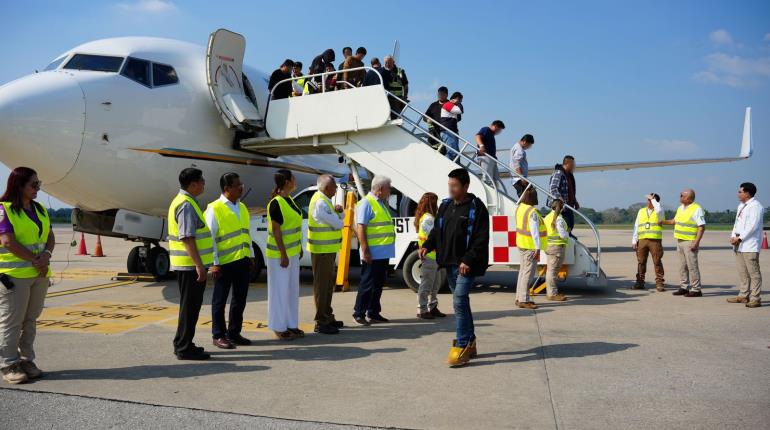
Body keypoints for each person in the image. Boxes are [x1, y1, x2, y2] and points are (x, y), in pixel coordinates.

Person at [420, 168, 489, 367]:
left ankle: (461, 344)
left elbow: (480, 239)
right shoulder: (446, 206)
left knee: (459, 301)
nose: (450, 189)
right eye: (449, 185)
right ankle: (471, 341)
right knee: (461, 303)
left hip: (467, 265)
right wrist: (427, 245)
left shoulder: (477, 208)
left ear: (466, 186)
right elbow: (437, 230)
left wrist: (467, 259)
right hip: (448, 263)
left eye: (455, 186)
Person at [0, 167, 54, 384]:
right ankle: (8, 364)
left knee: (30, 320)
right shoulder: (4, 209)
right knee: (12, 321)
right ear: (19, 185)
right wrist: (35, 259)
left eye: (38, 184)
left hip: (39, 274)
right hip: (15, 276)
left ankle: (26, 360)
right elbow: (7, 241)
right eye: (34, 184)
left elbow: (49, 236)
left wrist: (47, 255)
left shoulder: (39, 209)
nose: (37, 189)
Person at [167, 168, 214, 360]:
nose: (204, 184)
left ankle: (183, 343)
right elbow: (187, 238)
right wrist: (199, 266)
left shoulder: (185, 201)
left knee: (190, 307)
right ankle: (184, 347)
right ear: (193, 184)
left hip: (187, 265)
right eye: (202, 181)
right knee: (190, 307)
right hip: (189, 266)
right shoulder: (186, 205)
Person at [204, 173, 254, 350]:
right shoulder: (214, 208)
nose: (241, 187)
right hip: (223, 263)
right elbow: (210, 239)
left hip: (242, 260)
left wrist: (251, 255)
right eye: (237, 185)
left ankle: (234, 332)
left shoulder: (242, 207)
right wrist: (214, 263)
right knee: (219, 301)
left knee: (239, 300)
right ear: (227, 189)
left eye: (241, 183)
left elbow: (246, 233)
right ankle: (218, 335)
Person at [353, 175, 396, 325]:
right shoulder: (366, 203)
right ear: (380, 189)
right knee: (367, 283)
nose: (389, 191)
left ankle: (373, 312)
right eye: (388, 188)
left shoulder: (380, 203)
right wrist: (365, 250)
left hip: (382, 252)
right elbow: (360, 228)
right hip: (373, 252)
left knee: (378, 284)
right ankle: (359, 312)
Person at [266, 169, 304, 340]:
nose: (295, 180)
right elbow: (276, 230)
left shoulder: (290, 200)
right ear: (287, 181)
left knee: (291, 290)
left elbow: (293, 227)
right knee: (279, 291)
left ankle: (291, 324)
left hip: (293, 253)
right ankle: (278, 327)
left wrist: (299, 247)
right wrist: (283, 254)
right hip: (279, 256)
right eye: (293, 178)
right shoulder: (276, 203)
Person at [307, 174, 345, 334]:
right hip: (322, 251)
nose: (336, 189)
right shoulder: (320, 202)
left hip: (327, 250)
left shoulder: (325, 201)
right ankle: (321, 321)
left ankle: (327, 316)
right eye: (334, 186)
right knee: (322, 287)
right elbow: (338, 224)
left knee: (328, 285)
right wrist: (339, 216)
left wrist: (338, 214)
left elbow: (338, 219)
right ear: (326, 188)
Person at [662, 188, 706, 297]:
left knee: (692, 266)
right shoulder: (680, 208)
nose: (680, 197)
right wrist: (662, 221)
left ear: (688, 197)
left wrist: (696, 242)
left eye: (682, 195)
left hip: (690, 241)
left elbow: (701, 227)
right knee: (682, 266)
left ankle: (696, 289)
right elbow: (674, 221)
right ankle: (684, 287)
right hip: (680, 241)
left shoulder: (696, 208)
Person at [728, 182, 764, 308]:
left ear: (747, 193)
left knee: (753, 273)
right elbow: (736, 223)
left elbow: (752, 226)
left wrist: (740, 238)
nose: (738, 194)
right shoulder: (741, 206)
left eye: (740, 191)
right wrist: (733, 236)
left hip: (749, 245)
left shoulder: (755, 206)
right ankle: (743, 295)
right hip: (739, 244)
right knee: (742, 272)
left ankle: (755, 298)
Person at [414, 192, 446, 319]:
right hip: (430, 256)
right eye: (435, 202)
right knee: (427, 285)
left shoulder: (427, 217)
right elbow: (433, 238)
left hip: (434, 257)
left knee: (435, 284)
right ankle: (422, 310)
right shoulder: (428, 218)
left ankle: (432, 307)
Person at [515, 187, 546, 309]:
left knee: (523, 272)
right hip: (530, 246)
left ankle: (519, 297)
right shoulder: (532, 212)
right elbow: (535, 232)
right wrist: (537, 248)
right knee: (528, 274)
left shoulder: (520, 208)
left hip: (521, 244)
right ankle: (524, 299)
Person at [632, 193, 665, 292]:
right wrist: (634, 240)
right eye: (648, 200)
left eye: (650, 200)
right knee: (641, 262)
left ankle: (659, 283)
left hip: (655, 240)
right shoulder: (641, 211)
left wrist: (654, 200)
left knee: (657, 261)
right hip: (642, 240)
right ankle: (640, 282)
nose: (648, 202)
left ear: (655, 201)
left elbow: (658, 209)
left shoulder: (660, 210)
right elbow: (636, 225)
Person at [543, 200, 569, 301]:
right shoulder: (559, 219)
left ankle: (552, 292)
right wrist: (568, 233)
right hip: (557, 247)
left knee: (551, 271)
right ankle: (552, 294)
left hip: (548, 246)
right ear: (561, 208)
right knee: (552, 272)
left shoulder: (547, 217)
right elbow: (562, 235)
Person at [546, 155, 579, 231]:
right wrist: (560, 199)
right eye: (573, 164)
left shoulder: (569, 175)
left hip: (569, 206)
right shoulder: (558, 173)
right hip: (561, 208)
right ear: (568, 164)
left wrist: (575, 201)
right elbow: (553, 188)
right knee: (564, 228)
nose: (574, 166)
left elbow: (570, 191)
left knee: (570, 226)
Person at [475, 120, 505, 187]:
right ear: (495, 126)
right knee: (487, 178)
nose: (499, 131)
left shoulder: (491, 135)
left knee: (495, 179)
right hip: (486, 157)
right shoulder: (486, 129)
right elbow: (477, 136)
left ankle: (495, 191)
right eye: (499, 129)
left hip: (492, 158)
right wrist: (481, 146)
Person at [439, 92, 464, 160]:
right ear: (457, 99)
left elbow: (458, 117)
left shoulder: (452, 106)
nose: (461, 102)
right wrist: (458, 103)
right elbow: (460, 110)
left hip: (451, 131)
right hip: (448, 131)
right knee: (452, 152)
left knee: (455, 153)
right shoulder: (448, 104)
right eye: (460, 100)